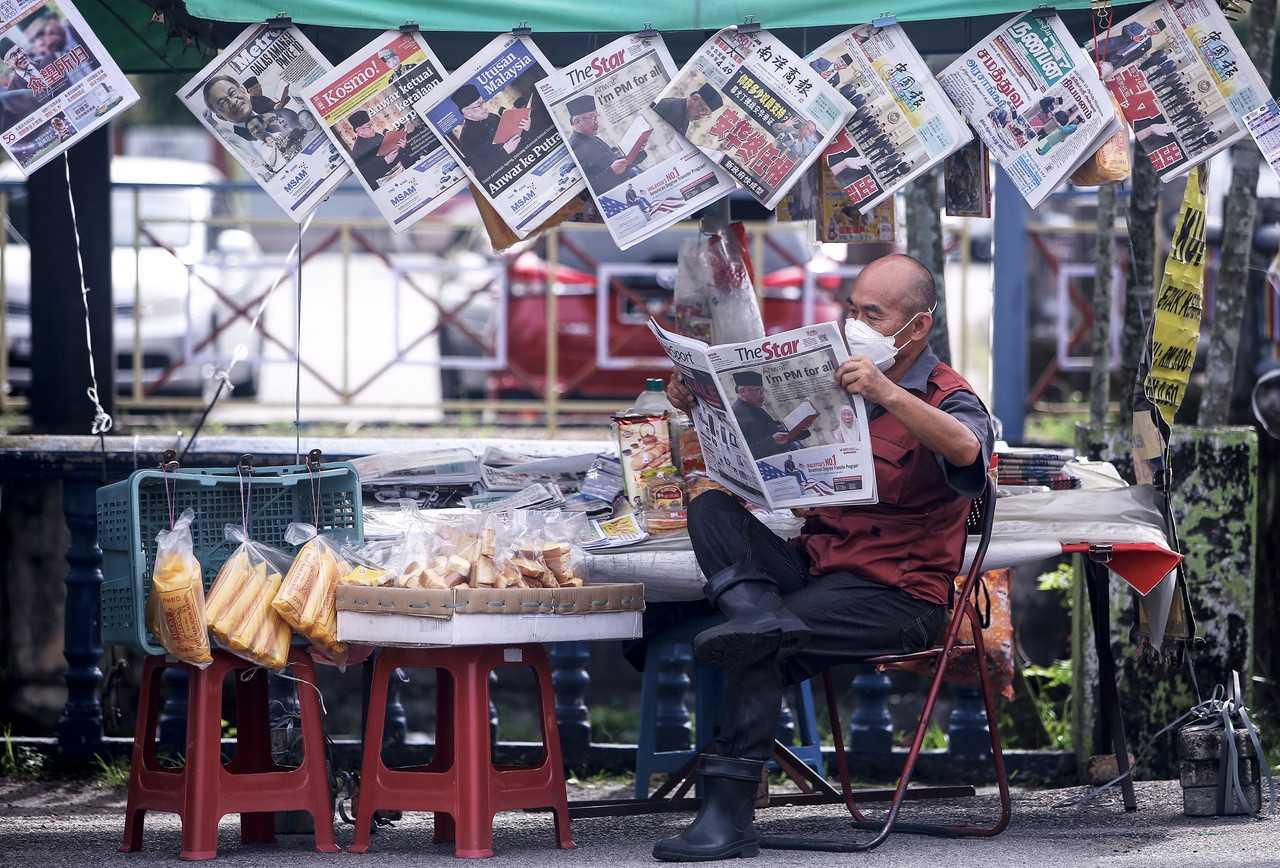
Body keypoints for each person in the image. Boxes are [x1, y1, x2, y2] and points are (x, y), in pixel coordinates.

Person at [647, 253, 993, 862]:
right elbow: (771, 442)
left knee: (755, 644)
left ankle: (727, 815)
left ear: (917, 327)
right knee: (709, 506)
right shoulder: (832, 379)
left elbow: (967, 449)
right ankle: (755, 614)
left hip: (895, 591)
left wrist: (889, 391)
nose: (854, 323)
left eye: (873, 314)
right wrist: (699, 402)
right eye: (851, 309)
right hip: (819, 561)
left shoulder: (947, 395)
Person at [565, 93, 646, 192]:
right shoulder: (574, 147)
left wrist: (636, 151)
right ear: (577, 121)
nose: (597, 122)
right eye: (592, 117)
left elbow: (614, 163)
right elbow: (590, 188)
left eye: (596, 117)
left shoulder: (593, 138)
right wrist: (612, 172)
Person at [449, 82, 529, 179]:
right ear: (467, 112)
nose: (485, 107)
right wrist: (505, 151)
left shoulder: (492, 117)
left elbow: (513, 135)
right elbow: (482, 172)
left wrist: (525, 127)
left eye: (483, 102)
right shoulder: (466, 140)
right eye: (479, 105)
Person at [729, 370, 810, 460]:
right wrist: (772, 441)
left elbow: (774, 432)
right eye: (758, 391)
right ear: (743, 391)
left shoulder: (754, 407)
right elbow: (745, 452)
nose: (762, 396)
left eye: (762, 391)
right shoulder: (737, 415)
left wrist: (799, 428)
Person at [346, 108, 405, 188]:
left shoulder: (376, 135)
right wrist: (385, 161)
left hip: (401, 169)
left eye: (371, 125)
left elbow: (390, 149)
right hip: (387, 181)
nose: (373, 128)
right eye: (369, 126)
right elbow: (367, 175)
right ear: (359, 130)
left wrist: (401, 145)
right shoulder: (357, 151)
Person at [654, 83, 723, 137]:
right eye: (703, 110)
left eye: (705, 114)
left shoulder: (685, 119)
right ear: (694, 99)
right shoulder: (669, 105)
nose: (701, 116)